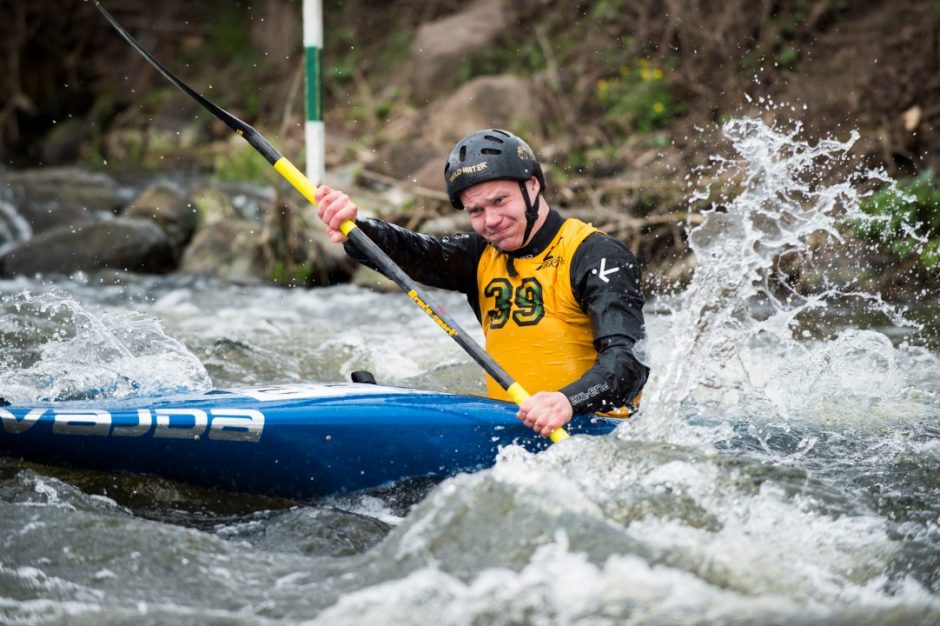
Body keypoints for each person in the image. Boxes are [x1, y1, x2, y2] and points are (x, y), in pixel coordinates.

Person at [315, 128, 649, 437]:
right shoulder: (481, 255)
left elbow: (627, 362)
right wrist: (356, 229)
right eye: (475, 211)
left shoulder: (595, 254)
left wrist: (567, 401)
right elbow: (417, 253)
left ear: (532, 186)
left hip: (595, 433)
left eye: (500, 201)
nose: (490, 221)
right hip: (515, 433)